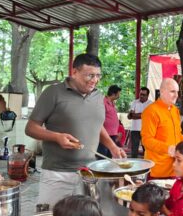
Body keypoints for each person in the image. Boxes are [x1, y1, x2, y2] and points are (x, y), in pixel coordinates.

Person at [25, 54, 125, 208]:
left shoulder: (98, 96)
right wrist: (57, 137)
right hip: (57, 173)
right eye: (90, 75)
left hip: (88, 172)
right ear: (74, 72)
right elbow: (31, 128)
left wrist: (112, 147)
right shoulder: (53, 92)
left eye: (98, 75)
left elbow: (97, 125)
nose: (94, 80)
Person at [141, 78, 183, 179]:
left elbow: (177, 135)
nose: (176, 95)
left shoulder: (175, 110)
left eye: (177, 92)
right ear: (161, 91)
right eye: (172, 91)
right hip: (158, 170)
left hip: (175, 168)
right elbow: (146, 140)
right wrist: (167, 149)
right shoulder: (151, 111)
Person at [98, 84, 122, 158]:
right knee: (103, 155)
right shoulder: (103, 102)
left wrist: (116, 132)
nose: (119, 96)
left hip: (113, 133)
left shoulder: (112, 103)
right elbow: (99, 118)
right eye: (118, 94)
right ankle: (101, 169)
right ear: (113, 94)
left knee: (109, 154)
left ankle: (107, 169)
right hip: (105, 134)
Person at [128, 87, 152, 158]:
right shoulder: (134, 102)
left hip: (146, 130)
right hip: (134, 129)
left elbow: (147, 115)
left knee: (147, 150)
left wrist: (134, 115)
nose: (141, 96)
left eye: (144, 95)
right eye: (140, 94)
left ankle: (146, 167)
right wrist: (141, 115)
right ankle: (134, 168)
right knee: (134, 150)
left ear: (147, 95)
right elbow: (129, 116)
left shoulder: (151, 104)